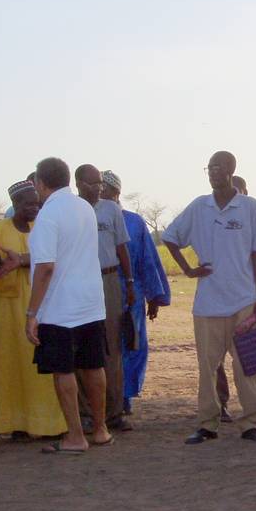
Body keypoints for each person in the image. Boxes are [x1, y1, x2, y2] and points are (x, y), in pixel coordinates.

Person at [163, 150, 256, 444]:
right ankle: (207, 424)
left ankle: (250, 423)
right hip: (209, 302)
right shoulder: (200, 206)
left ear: (231, 170)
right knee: (208, 367)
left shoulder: (248, 206)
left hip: (244, 300)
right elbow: (170, 237)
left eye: (218, 167)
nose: (213, 172)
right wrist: (188, 270)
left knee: (246, 364)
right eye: (209, 168)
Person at [26, 157, 112, 454]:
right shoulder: (84, 208)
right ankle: (100, 429)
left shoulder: (48, 216)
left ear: (40, 183)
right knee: (93, 365)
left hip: (59, 306)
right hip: (90, 301)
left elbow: (45, 267)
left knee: (63, 370)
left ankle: (75, 436)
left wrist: (32, 313)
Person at [0, 181, 67, 440]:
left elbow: (53, 260)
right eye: (28, 204)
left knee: (41, 368)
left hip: (40, 306)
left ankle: (48, 425)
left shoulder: (43, 227)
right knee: (12, 367)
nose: (34, 208)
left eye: (36, 203)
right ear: (15, 204)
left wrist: (20, 260)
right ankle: (17, 424)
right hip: (7, 310)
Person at [98, 171, 171, 415]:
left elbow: (148, 260)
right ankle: (105, 399)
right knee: (105, 346)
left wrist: (154, 297)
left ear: (116, 192)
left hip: (131, 295)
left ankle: (125, 397)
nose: (100, 193)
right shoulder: (89, 218)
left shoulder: (134, 222)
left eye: (104, 188)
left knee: (132, 345)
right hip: (100, 291)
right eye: (97, 187)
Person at [74, 164, 136, 432]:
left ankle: (114, 413)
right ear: (78, 184)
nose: (98, 188)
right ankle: (86, 414)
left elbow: (122, 247)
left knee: (111, 346)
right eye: (92, 183)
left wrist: (129, 282)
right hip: (80, 282)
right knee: (82, 346)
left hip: (109, 279)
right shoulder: (72, 210)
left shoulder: (111, 210)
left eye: (100, 183)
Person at [215, 174, 256, 422]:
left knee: (251, 352)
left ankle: (254, 404)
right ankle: (220, 404)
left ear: (246, 191)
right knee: (216, 356)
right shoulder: (213, 216)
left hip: (249, 298)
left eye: (237, 190)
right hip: (218, 297)